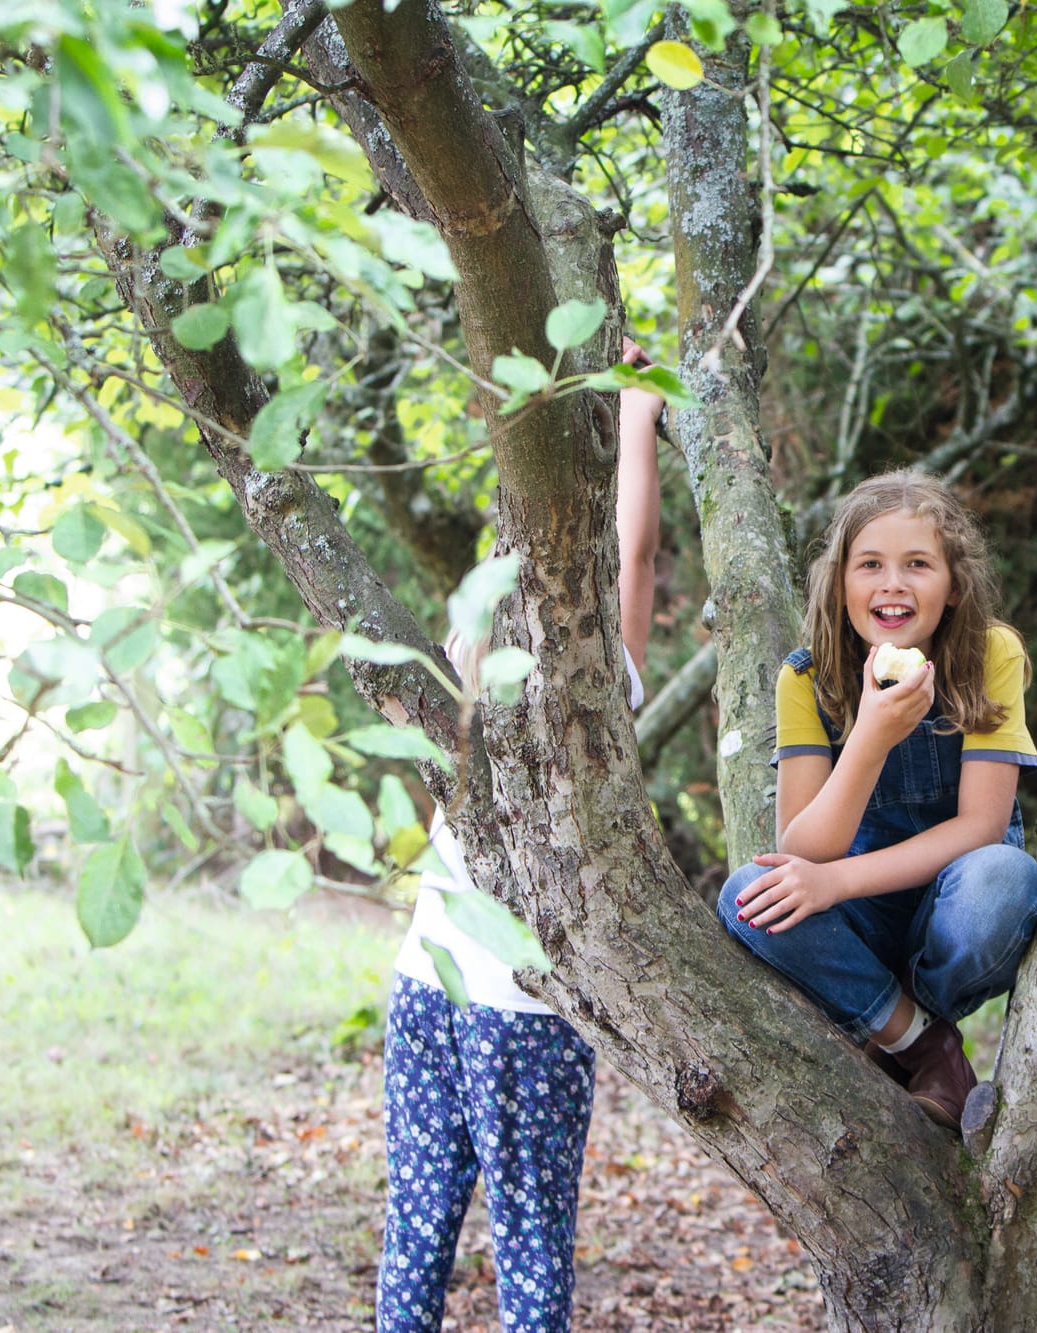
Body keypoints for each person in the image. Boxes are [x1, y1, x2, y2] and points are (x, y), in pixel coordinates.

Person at [376, 344, 661, 1333]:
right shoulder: (597, 691)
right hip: (521, 1008)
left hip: (428, 979)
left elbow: (575, 543)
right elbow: (630, 553)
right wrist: (635, 414)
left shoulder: (461, 666)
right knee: (531, 1244)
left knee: (417, 1230)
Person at [715, 469, 1037, 1131]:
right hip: (862, 919)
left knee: (1006, 879)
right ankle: (926, 1045)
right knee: (747, 896)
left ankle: (890, 1017)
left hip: (952, 917)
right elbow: (803, 850)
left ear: (954, 586)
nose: (893, 583)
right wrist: (869, 734)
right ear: (841, 584)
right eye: (870, 564)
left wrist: (832, 880)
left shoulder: (990, 654)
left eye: (918, 564)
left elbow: (982, 827)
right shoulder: (806, 677)